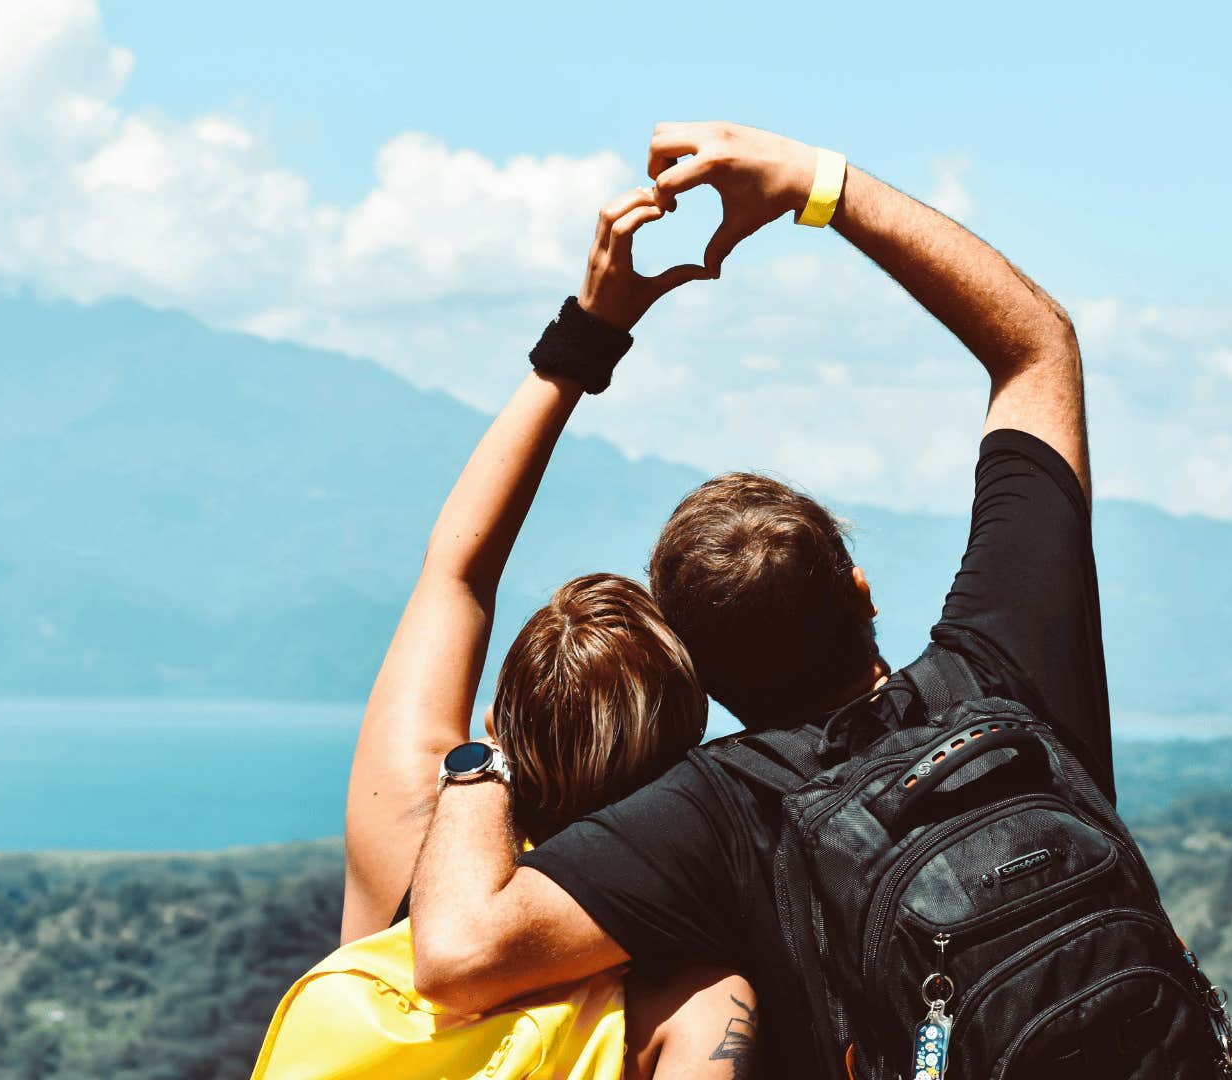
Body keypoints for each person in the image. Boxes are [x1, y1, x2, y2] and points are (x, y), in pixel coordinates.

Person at [406, 120, 1109, 1074]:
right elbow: (1038, 345)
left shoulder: (719, 813)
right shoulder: (1006, 668)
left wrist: (484, 754)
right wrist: (817, 184)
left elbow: (455, 955)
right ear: (860, 588)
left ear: (705, 678)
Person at [335, 185, 755, 1077]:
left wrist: (589, 337)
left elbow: (456, 572)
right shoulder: (697, 998)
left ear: (495, 723)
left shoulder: (408, 840)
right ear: (688, 746)